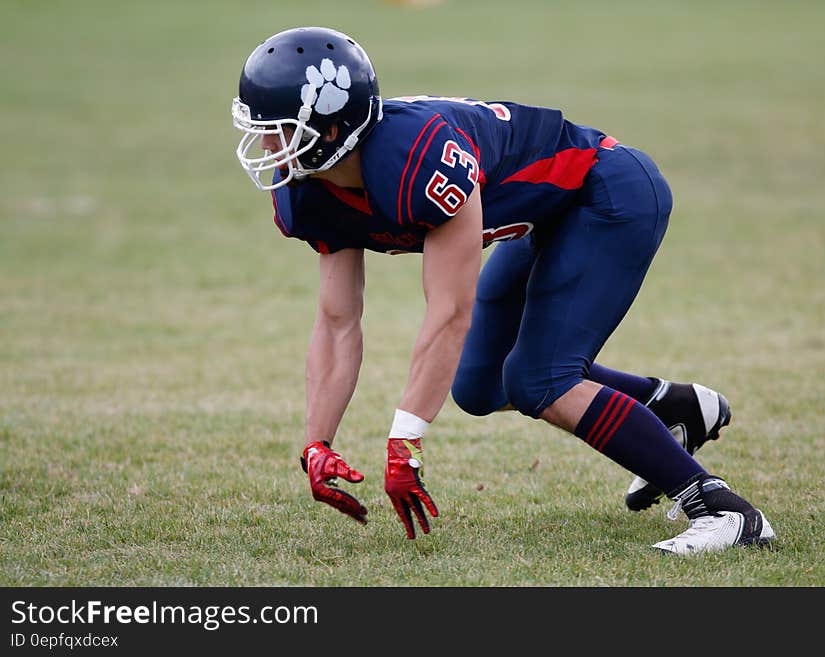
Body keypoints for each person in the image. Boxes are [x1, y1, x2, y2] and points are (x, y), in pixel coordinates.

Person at [231, 26, 776, 554]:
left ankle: (722, 509)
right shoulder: (309, 192)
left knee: (539, 379)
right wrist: (316, 443)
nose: (263, 144)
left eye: (275, 128)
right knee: (480, 384)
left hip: (608, 189)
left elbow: (449, 312)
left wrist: (405, 439)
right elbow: (336, 322)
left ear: (331, 130)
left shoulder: (415, 159)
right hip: (551, 215)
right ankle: (676, 410)